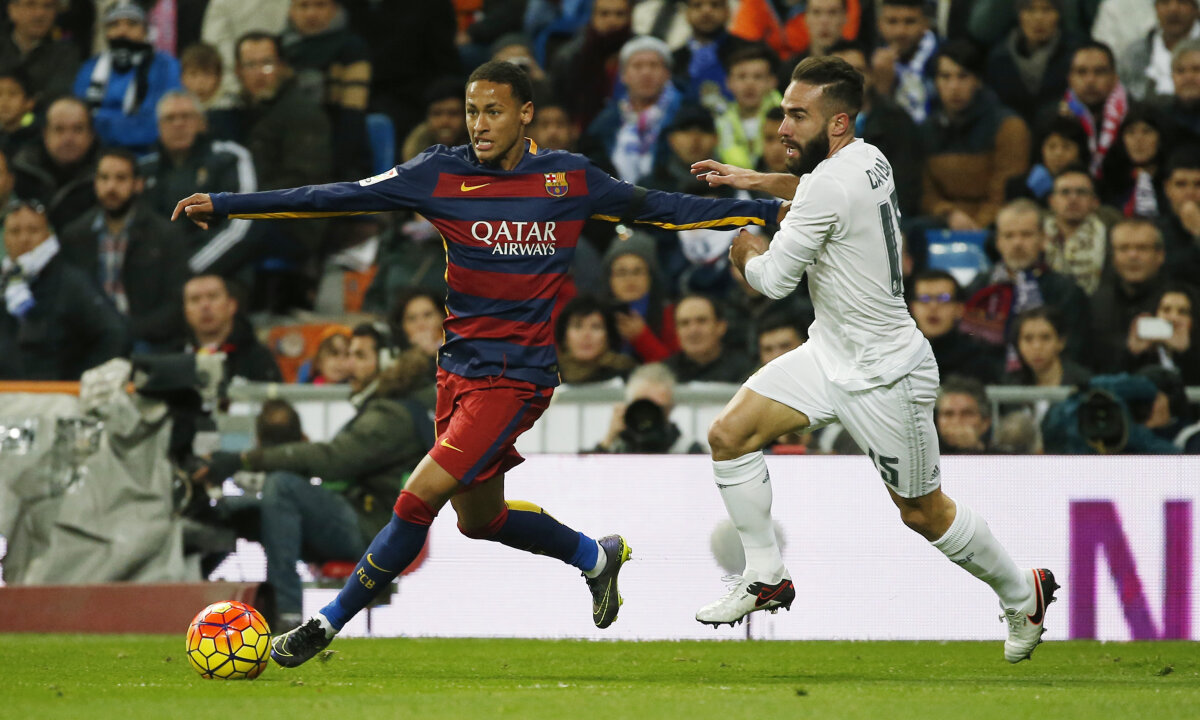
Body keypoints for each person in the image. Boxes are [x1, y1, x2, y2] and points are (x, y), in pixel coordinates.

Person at [173, 60, 782, 666]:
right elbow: (335, 196)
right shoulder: (439, 173)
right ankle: (596, 557)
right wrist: (229, 204)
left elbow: (660, 207)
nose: (479, 124)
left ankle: (323, 625)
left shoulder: (568, 180)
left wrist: (760, 212)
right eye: (471, 112)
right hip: (457, 373)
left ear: (525, 114)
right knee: (479, 520)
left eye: (493, 111)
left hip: (517, 379)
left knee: (416, 502)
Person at [687, 56, 1057, 663]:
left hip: (887, 376)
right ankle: (765, 575)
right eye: (782, 111)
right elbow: (814, 193)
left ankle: (1024, 593)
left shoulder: (829, 183)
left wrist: (746, 251)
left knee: (922, 512)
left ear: (835, 124)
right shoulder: (867, 157)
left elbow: (775, 281)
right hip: (831, 353)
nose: (782, 125)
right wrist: (752, 180)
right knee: (729, 435)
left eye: (796, 116)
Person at [193, 325, 437, 630]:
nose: (350, 365)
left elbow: (334, 460)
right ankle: (190, 601)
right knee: (236, 512)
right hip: (363, 520)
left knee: (282, 487)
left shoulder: (391, 416)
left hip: (373, 530)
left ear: (388, 362)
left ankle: (287, 615)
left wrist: (245, 459)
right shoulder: (390, 408)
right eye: (348, 356)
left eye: (360, 356)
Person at [58, 148, 188, 350]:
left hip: (146, 340)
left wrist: (128, 329)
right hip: (90, 341)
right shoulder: (75, 235)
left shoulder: (165, 235)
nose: (111, 187)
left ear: (138, 184)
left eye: (121, 178)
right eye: (104, 178)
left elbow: (175, 305)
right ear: (95, 184)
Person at [0, 199, 128, 379]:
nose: (24, 238)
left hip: (59, 398)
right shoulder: (4, 282)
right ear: (4, 238)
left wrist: (82, 381)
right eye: (15, 231)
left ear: (49, 235)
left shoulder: (72, 283)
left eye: (33, 230)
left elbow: (114, 333)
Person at [140, 91, 258, 276]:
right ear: (159, 127)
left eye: (186, 116)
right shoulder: (144, 171)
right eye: (170, 118)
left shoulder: (228, 158)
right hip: (158, 276)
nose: (178, 124)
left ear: (202, 123)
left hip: (220, 271)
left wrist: (188, 271)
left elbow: (242, 224)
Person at [963, 199, 1090, 368]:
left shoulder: (1066, 290)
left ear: (1043, 239)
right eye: (1009, 235)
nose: (1017, 243)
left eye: (1026, 234)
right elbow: (968, 345)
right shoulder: (979, 287)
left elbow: (1074, 349)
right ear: (998, 242)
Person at [921, 40, 1031, 231]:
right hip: (942, 225)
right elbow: (924, 192)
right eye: (945, 77)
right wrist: (948, 213)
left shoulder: (1008, 127)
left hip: (997, 229)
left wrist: (975, 230)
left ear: (977, 80)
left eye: (963, 76)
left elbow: (1004, 193)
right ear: (935, 82)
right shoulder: (927, 129)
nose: (954, 86)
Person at [74, 2, 182, 152]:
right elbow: (77, 121)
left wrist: (99, 124)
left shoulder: (166, 66)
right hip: (94, 156)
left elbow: (158, 125)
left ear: (145, 30)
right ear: (106, 32)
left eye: (132, 24)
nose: (122, 31)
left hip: (148, 155)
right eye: (114, 25)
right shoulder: (90, 68)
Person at [984, 0, 1078, 128]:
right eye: (1030, 10)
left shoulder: (1075, 55)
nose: (1038, 18)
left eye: (1047, 10)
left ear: (1059, 15)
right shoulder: (999, 57)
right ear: (1019, 15)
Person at [11, 96, 98, 232]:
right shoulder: (21, 170)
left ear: (91, 134)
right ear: (45, 134)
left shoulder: (105, 177)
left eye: (78, 129)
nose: (68, 138)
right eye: (59, 129)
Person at [180, 273, 283, 383]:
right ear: (186, 311)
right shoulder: (174, 356)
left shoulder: (258, 358)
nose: (205, 306)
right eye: (195, 299)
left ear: (231, 305)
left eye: (213, 296)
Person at [908, 269, 1002, 384]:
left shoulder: (976, 359)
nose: (933, 306)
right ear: (912, 307)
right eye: (924, 299)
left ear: (959, 308)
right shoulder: (898, 354)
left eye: (943, 299)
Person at [0, 0, 81, 111]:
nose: (40, 13)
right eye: (30, 4)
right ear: (12, 10)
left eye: (48, 6)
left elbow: (58, 97)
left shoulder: (65, 53)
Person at [1043, 166, 1110, 295]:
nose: (1073, 198)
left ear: (1095, 202)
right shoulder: (1036, 235)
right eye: (1065, 192)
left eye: (1081, 192)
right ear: (1052, 201)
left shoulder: (1110, 238)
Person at [715, 44, 782, 170]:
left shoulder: (789, 118)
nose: (749, 84)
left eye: (758, 77)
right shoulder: (720, 121)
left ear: (772, 82)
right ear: (728, 82)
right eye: (741, 77)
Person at [1118, 0, 1200, 101]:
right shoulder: (1134, 54)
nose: (1173, 10)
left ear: (1196, 9)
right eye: (1165, 2)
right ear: (1156, 8)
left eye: (1182, 2)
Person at [872, 0, 938, 124]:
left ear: (925, 23)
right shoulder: (869, 60)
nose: (900, 31)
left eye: (910, 22)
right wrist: (882, 89)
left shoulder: (944, 57)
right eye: (892, 22)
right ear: (879, 25)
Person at [664, 293, 754, 383]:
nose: (693, 330)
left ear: (721, 326)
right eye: (684, 323)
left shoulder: (748, 373)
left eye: (701, 321)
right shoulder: (664, 372)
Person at [1123, 284, 1200, 384]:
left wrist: (1184, 353)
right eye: (1166, 310)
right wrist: (1134, 355)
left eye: (1182, 312)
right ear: (1155, 314)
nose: (1173, 318)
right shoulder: (1143, 353)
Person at [1003, 306, 1092, 388]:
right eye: (1028, 339)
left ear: (1061, 342)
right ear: (1018, 344)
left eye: (1046, 338)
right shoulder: (1009, 386)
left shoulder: (1085, 384)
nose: (1037, 347)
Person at [555, 295, 636, 384]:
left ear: (609, 335)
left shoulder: (628, 374)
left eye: (595, 327)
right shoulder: (549, 376)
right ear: (564, 335)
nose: (586, 335)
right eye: (577, 326)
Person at [936, 375, 993, 454]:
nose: (956, 421)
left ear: (985, 422)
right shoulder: (924, 457)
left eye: (967, 414)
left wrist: (974, 448)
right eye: (948, 414)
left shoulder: (1002, 459)